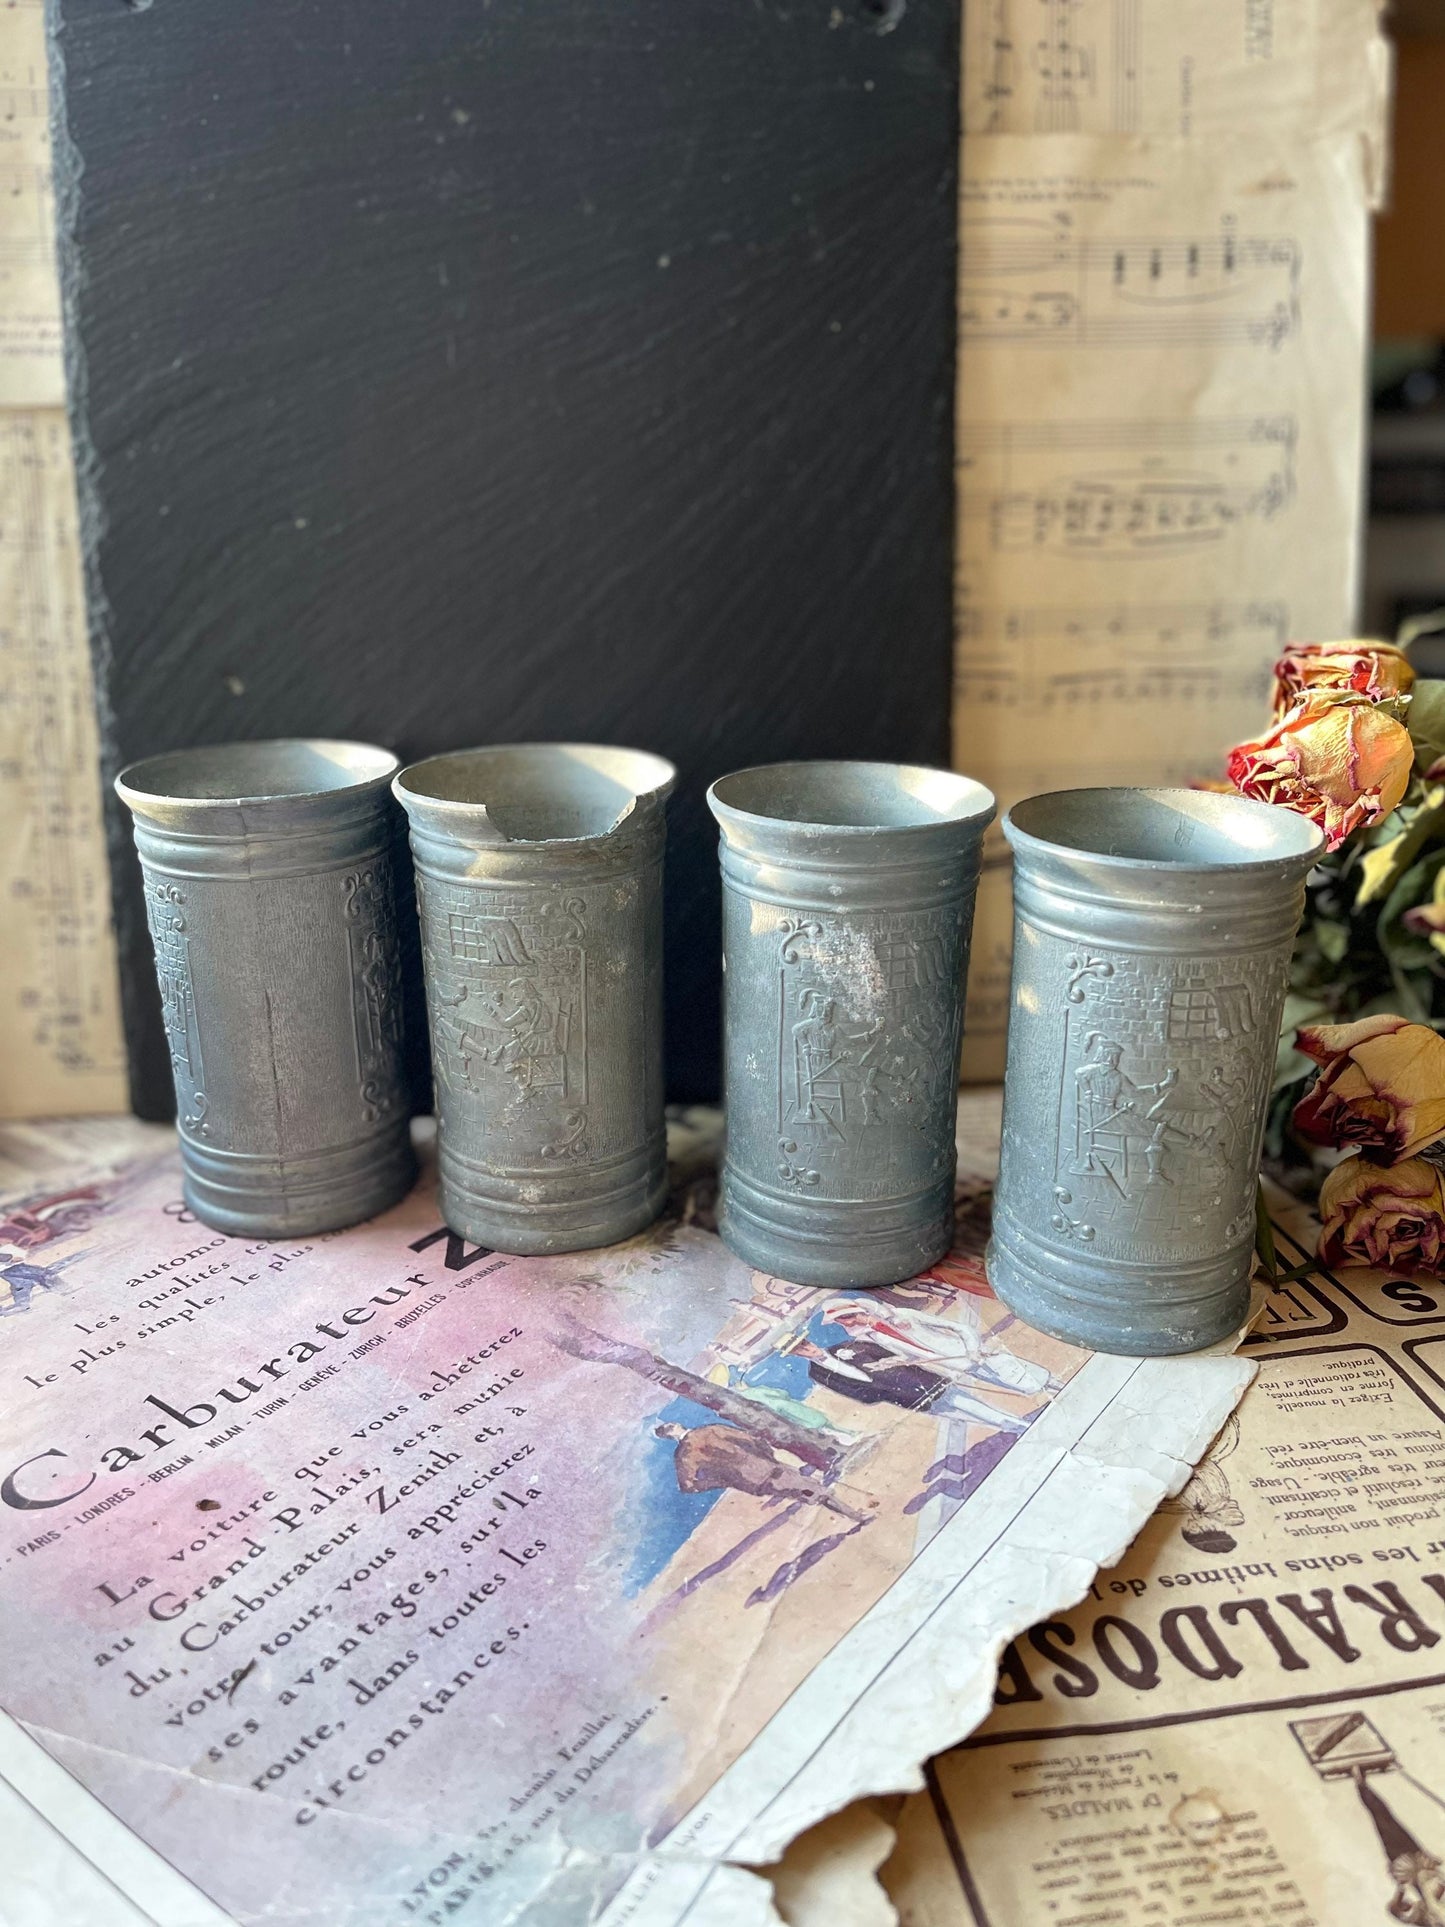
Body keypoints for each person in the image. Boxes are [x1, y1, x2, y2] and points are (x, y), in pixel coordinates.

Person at [653, 1421, 872, 1523]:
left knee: (806, 1491)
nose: (676, 1428)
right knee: (814, 1489)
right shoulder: (707, 1430)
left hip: (752, 1483)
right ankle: (855, 1515)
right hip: (766, 1467)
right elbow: (750, 1439)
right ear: (676, 1427)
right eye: (673, 1426)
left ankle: (849, 1514)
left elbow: (688, 1486)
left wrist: (722, 1481)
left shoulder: (683, 1456)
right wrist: (767, 1455)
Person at [795, 1339, 1033, 1431]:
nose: (809, 1349)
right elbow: (852, 1392)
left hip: (918, 1380)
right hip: (900, 1396)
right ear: (797, 1354)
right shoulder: (817, 1373)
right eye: (801, 1349)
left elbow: (891, 1354)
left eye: (806, 1344)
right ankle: (1009, 1426)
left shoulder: (849, 1346)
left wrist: (891, 1367)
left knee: (967, 1402)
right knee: (955, 1414)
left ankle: (1015, 1423)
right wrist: (880, 1394)